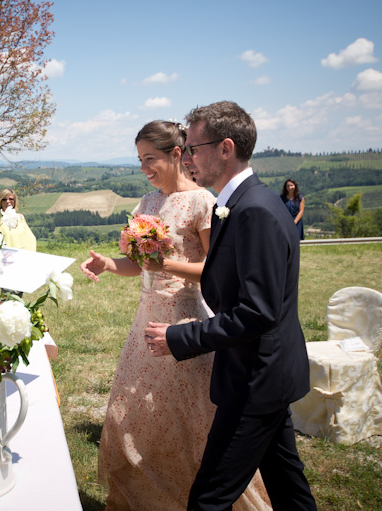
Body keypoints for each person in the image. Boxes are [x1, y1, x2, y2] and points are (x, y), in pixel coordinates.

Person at [80, 120, 270, 511]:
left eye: (151, 158)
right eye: (139, 160)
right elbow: (140, 264)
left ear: (177, 155)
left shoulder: (203, 202)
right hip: (144, 318)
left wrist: (166, 263)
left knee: (192, 418)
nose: (144, 168)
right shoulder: (147, 204)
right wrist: (109, 265)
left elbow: (216, 269)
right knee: (136, 411)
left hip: (185, 321)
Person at [144, 102, 317, 511]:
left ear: (225, 148)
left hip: (255, 377)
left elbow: (258, 312)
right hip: (265, 372)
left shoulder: (254, 211)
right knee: (287, 485)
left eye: (193, 148)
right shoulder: (237, 204)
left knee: (209, 498)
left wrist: (180, 335)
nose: (186, 158)